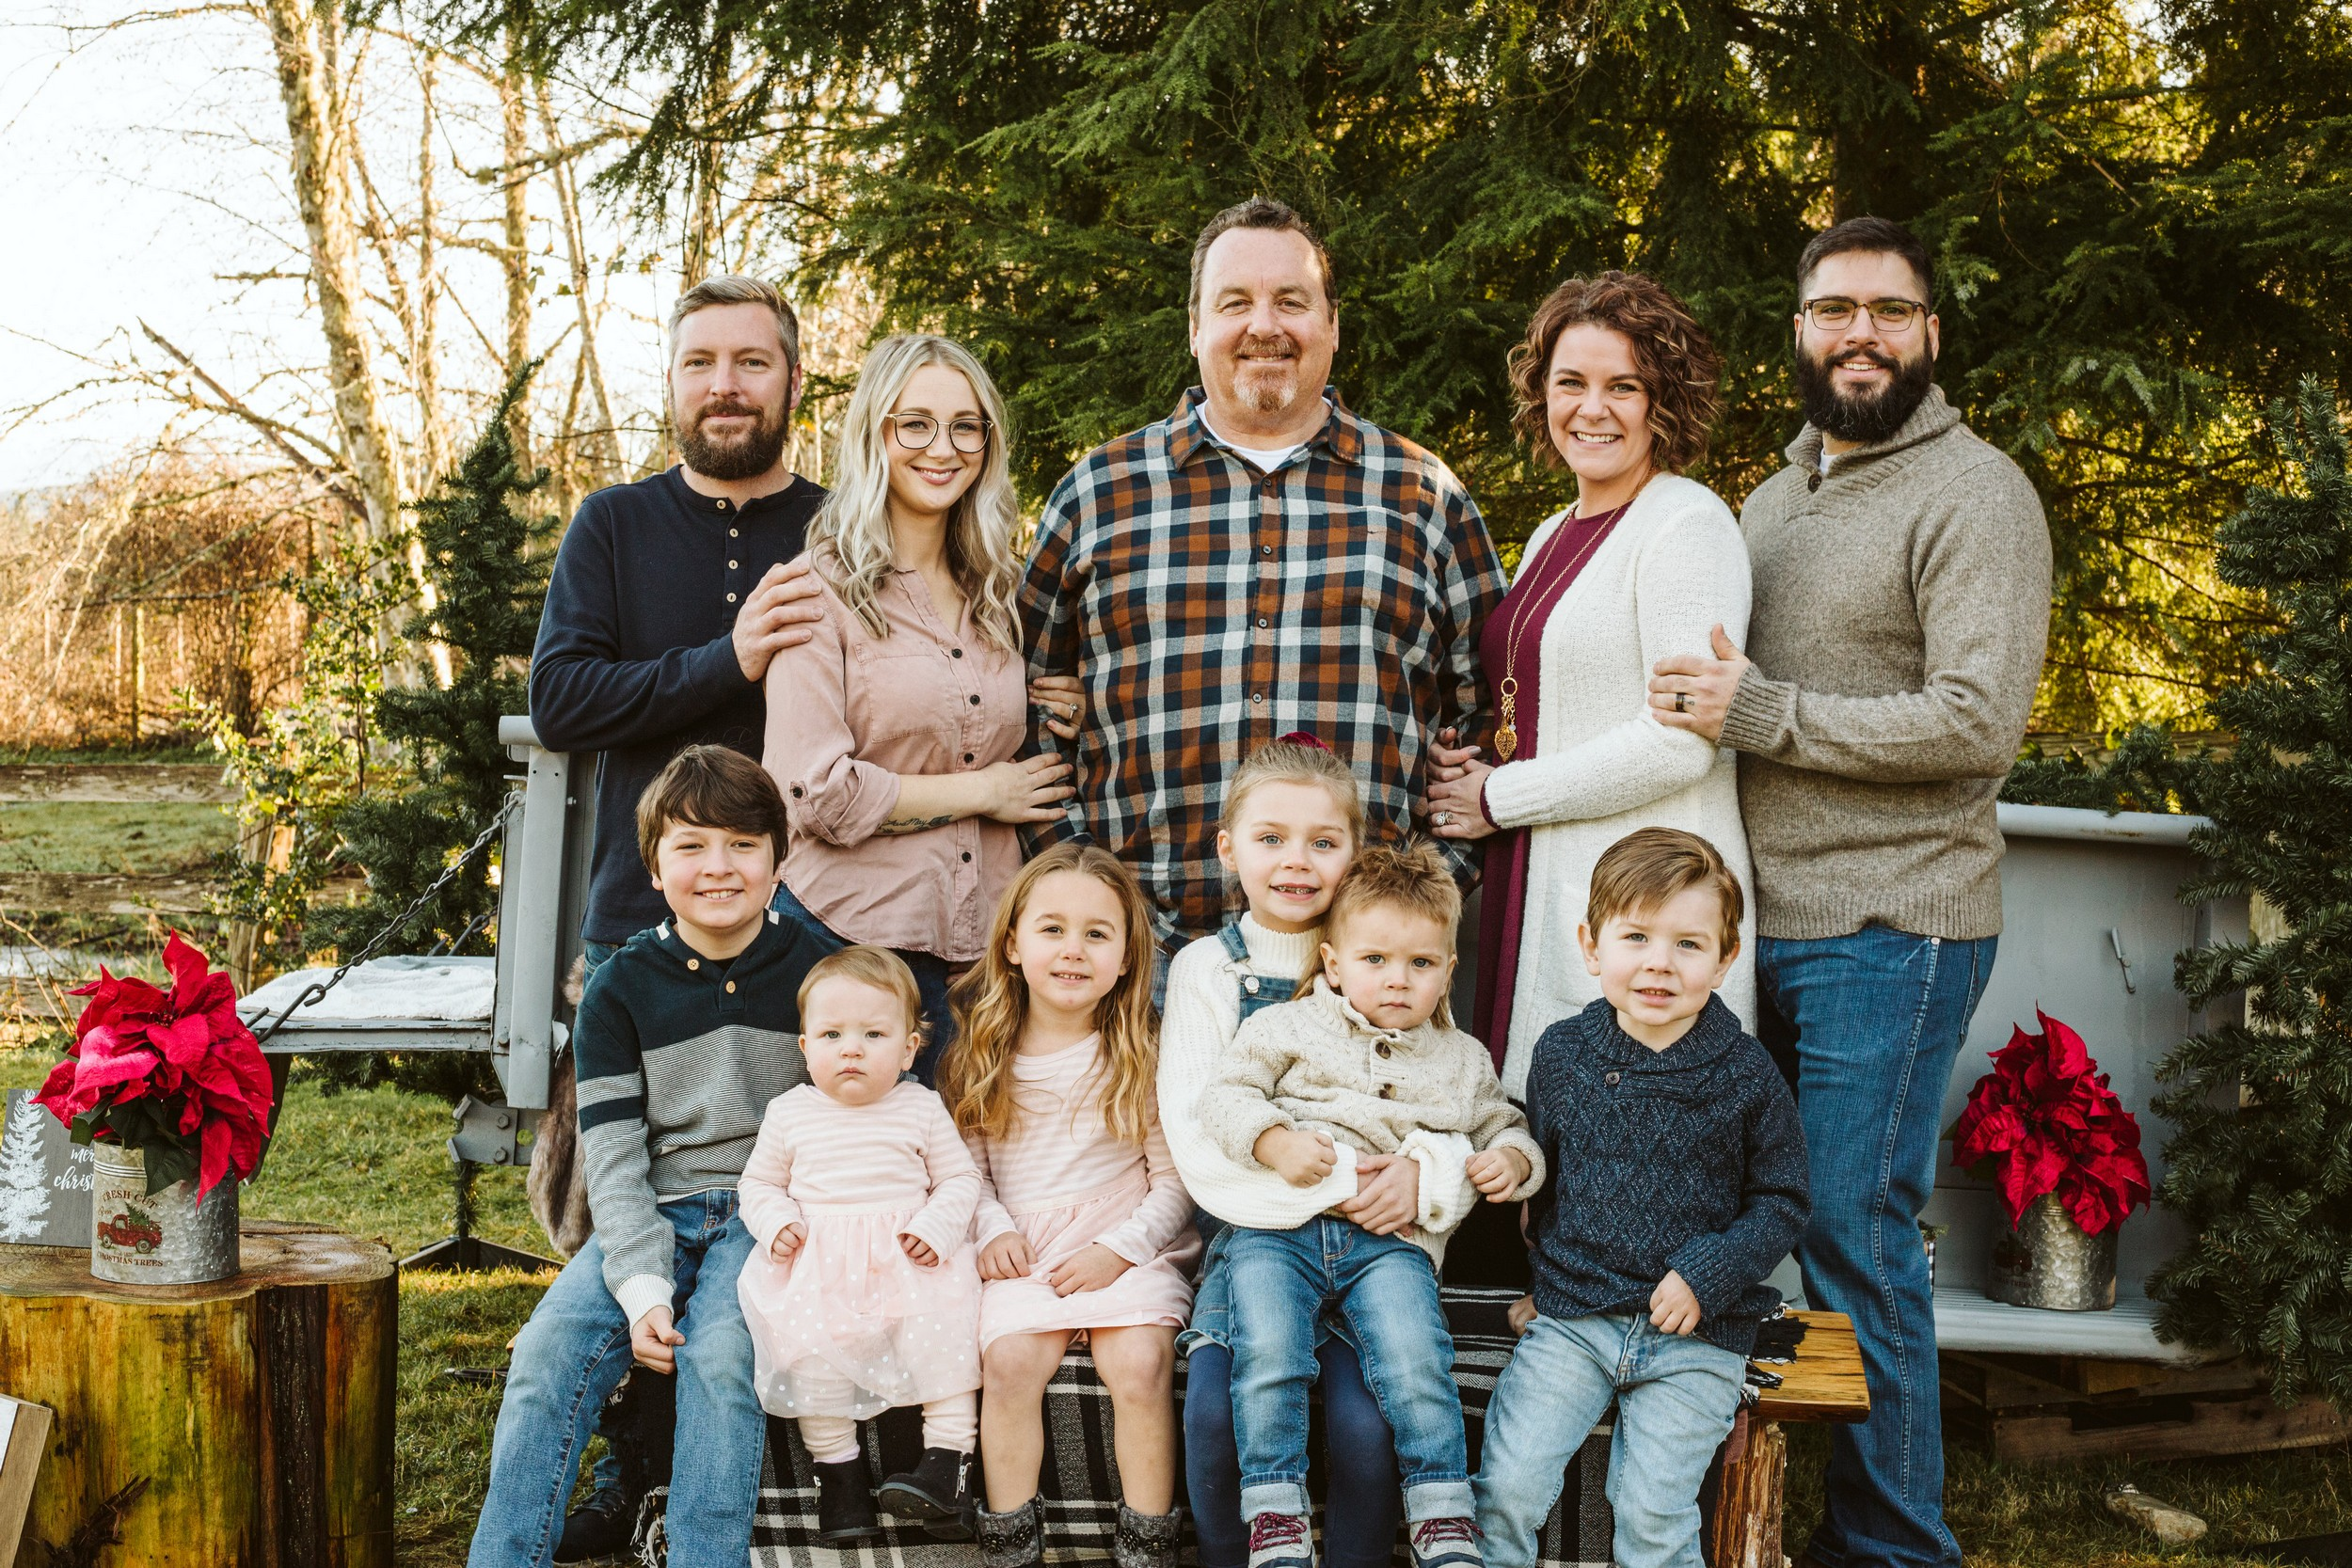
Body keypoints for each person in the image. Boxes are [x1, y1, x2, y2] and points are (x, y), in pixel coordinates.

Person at [1644, 216, 2051, 1568]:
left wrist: (1761, 709)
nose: (1858, 332)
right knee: (1753, 1212)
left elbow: (1975, 722)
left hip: (1895, 917)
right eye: (1833, 309)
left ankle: (1894, 1545)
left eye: (1888, 309)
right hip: (1764, 923)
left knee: (1851, 1228)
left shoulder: (1976, 493)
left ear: (1931, 331)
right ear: (1800, 329)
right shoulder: (1773, 499)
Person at [1021, 197, 1507, 956]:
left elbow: (1495, 716)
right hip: (1137, 965)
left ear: (1333, 325)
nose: (1264, 325)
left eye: (1291, 301)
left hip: (1362, 975)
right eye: (1235, 303)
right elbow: (1019, 706)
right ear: (1194, 326)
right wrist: (1087, 901)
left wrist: (1411, 907)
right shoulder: (1098, 494)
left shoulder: (1422, 496)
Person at [468, 746, 832, 1568]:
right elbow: (613, 1154)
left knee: (722, 1357)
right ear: (656, 867)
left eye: (743, 844)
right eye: (691, 845)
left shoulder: (819, 971)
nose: (719, 866)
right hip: (653, 1205)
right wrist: (641, 1284)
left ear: (779, 858)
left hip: (768, 1214)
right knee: (545, 1353)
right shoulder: (620, 986)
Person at [1424, 272, 1755, 1103]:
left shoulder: (1686, 524)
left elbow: (1679, 742)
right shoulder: (1552, 531)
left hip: (1648, 913)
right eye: (1571, 382)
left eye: (1624, 386)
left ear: (1664, 401)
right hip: (1544, 885)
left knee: (1630, 1149)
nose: (1592, 408)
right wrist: (1473, 759)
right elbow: (1549, 699)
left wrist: (1498, 795)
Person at [1160, 737, 1479, 1568]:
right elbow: (1199, 1134)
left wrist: (1425, 1180)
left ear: (1355, 851)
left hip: (1381, 1243)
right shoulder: (1207, 970)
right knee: (1214, 1413)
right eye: (1271, 838)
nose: (1296, 860)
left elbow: (1452, 1106)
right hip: (1256, 1237)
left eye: (1323, 841)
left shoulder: (1397, 959)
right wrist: (1340, 1181)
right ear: (1229, 848)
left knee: (1365, 1424)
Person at [1196, 842, 1545, 1568]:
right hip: (1279, 1231)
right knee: (1269, 1350)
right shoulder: (1284, 1028)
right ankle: (1275, 1513)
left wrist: (1512, 1159)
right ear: (1332, 963)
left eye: (1420, 963)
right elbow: (1225, 1096)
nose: (1397, 979)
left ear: (1448, 969)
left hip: (1393, 1242)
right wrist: (1273, 1141)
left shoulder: (1461, 1057)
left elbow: (1503, 1124)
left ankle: (1443, 1513)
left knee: (1416, 1358)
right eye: (1375, 959)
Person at [1472, 828, 1809, 1568]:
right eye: (1636, 936)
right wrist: (1546, 1286)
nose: (1659, 961)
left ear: (1726, 957)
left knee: (1652, 1516)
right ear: (1591, 946)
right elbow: (1549, 1186)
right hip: (1576, 1323)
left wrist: (1710, 1273)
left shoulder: (1747, 1072)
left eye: (1688, 943)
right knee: (1505, 1488)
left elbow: (1783, 1200)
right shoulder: (1560, 1055)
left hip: (1696, 1333)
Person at [764, 334, 1073, 1080]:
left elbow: (971, 720)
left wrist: (1057, 702)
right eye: (916, 425)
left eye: (966, 426)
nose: (944, 448)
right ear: (876, 433)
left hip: (984, 956)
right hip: (849, 950)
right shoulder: (816, 589)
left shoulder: (996, 592)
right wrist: (985, 791)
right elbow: (818, 794)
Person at [940, 844, 1199, 1568]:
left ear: (1126, 957)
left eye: (1097, 932)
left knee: (1141, 1362)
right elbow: (966, 1172)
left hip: (1128, 1245)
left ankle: (1147, 1543)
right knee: (1010, 1363)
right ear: (1012, 944)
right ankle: (1011, 1542)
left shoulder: (1142, 1053)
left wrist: (1118, 1250)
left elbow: (1175, 1182)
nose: (1073, 949)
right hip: (1026, 1249)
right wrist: (992, 1228)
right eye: (1052, 928)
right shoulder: (982, 1054)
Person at [734, 945, 987, 1544]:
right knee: (815, 1364)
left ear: (909, 1049)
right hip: (821, 1269)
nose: (852, 1049)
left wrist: (937, 1227)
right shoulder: (790, 1113)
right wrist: (776, 1222)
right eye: (832, 1035)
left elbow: (960, 1178)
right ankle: (840, 1480)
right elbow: (758, 1184)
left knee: (944, 1345)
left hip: (910, 1261)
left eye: (874, 1034)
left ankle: (946, 1465)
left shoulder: (920, 1106)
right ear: (805, 1047)